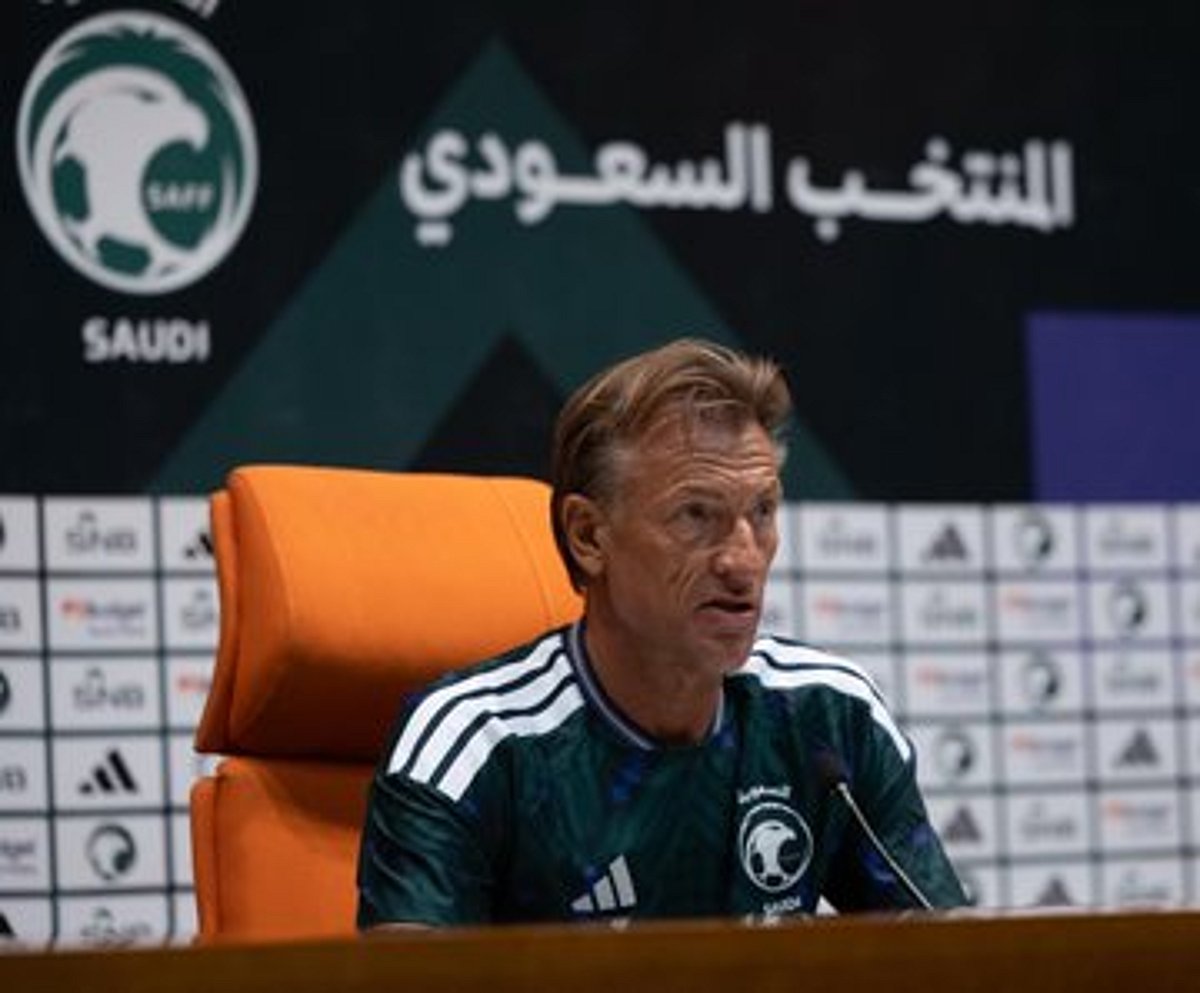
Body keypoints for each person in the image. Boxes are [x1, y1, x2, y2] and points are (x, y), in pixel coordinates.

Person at [357, 337, 965, 926]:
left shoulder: (829, 717)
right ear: (588, 537)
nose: (743, 561)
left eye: (762, 511)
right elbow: (405, 975)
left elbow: (956, 962)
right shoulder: (477, 744)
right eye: (695, 515)